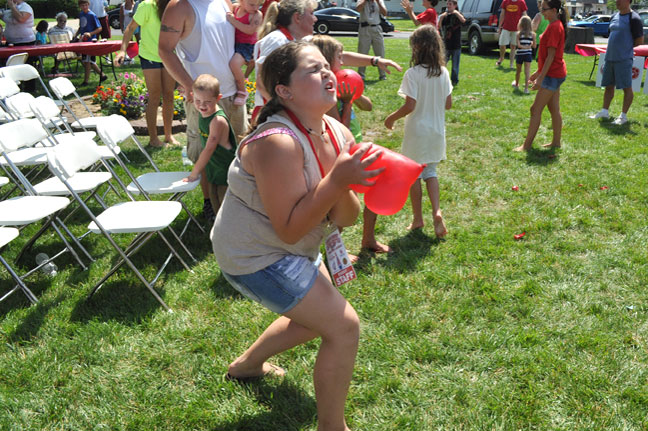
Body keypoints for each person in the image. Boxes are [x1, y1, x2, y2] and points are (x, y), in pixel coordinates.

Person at [212, 40, 383, 431]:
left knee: (316, 319)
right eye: (313, 69)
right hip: (254, 257)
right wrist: (337, 179)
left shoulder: (337, 131)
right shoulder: (277, 142)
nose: (327, 72)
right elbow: (289, 231)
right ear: (284, 91)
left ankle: (246, 366)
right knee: (343, 327)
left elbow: (346, 217)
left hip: (292, 247)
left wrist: (341, 183)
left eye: (327, 66)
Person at [159, 0, 249, 223]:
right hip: (203, 101)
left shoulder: (224, 1)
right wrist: (189, 85)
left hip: (232, 95)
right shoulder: (179, 7)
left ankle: (238, 203)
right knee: (206, 154)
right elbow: (164, 49)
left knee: (239, 151)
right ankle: (210, 204)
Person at [253, 0, 402, 121]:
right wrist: (285, 112)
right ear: (297, 18)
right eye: (311, 13)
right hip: (273, 114)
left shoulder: (301, 40)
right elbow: (261, 82)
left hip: (290, 112)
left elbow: (337, 55)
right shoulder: (277, 40)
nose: (315, 18)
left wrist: (375, 60)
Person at [313, 34, 392, 256]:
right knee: (343, 203)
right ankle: (335, 250)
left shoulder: (343, 82)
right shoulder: (325, 91)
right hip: (341, 152)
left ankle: (368, 239)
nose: (343, 61)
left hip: (355, 148)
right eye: (340, 58)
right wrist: (346, 102)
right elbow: (338, 128)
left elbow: (368, 106)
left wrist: (356, 91)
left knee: (372, 187)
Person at [385, 25, 452, 238]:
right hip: (436, 132)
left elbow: (410, 105)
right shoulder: (443, 72)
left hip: (417, 132)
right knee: (430, 172)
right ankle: (437, 212)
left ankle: (417, 219)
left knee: (413, 175)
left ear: (418, 47)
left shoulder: (412, 74)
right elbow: (448, 104)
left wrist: (391, 117)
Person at [115, 0, 181, 148]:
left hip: (169, 55)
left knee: (169, 95)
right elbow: (130, 28)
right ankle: (153, 139)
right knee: (155, 96)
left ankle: (168, 136)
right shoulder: (146, 6)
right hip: (149, 56)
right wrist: (122, 50)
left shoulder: (175, 7)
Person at [183, 74, 237, 223]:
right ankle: (220, 228)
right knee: (214, 201)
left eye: (208, 102)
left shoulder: (217, 120)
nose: (202, 105)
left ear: (218, 98)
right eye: (198, 101)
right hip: (214, 168)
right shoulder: (204, 112)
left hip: (224, 170)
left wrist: (194, 173)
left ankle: (230, 233)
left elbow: (208, 149)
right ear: (192, 96)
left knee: (226, 205)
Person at [514, 0, 566, 151]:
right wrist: (538, 72)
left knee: (535, 109)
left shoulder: (556, 27)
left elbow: (551, 56)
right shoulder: (553, 25)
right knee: (554, 109)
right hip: (554, 73)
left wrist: (540, 78)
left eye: (545, 9)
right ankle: (556, 142)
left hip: (552, 75)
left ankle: (526, 145)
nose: (542, 12)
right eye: (541, 9)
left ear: (554, 10)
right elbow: (550, 57)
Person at [588, 0, 643, 126]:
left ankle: (623, 116)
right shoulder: (614, 16)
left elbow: (639, 40)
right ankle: (604, 111)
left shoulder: (634, 18)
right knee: (608, 86)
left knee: (626, 87)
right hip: (610, 58)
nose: (617, 1)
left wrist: (624, 49)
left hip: (624, 59)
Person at [226, 0, 263, 106]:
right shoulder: (235, 7)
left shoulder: (257, 15)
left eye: (258, 5)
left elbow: (250, 30)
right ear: (241, 1)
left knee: (234, 64)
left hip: (247, 46)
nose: (255, 8)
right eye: (252, 4)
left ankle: (242, 91)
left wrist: (233, 20)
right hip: (234, 42)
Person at [75, 0, 108, 86]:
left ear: (88, 5)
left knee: (87, 61)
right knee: (88, 61)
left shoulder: (92, 15)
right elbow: (81, 26)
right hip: (83, 40)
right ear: (80, 6)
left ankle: (86, 81)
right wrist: (76, 35)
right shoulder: (81, 14)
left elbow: (99, 28)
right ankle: (102, 75)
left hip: (90, 41)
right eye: (82, 5)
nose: (84, 7)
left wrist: (90, 33)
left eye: (86, 5)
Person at [356, 0, 387, 81]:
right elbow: (358, 9)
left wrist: (378, 2)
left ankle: (382, 75)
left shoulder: (380, 1)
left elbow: (385, 13)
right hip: (364, 28)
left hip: (376, 28)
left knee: (380, 52)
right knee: (362, 52)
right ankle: (361, 75)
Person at [438, 0, 465, 86]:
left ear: (455, 5)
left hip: (456, 44)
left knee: (455, 66)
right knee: (443, 63)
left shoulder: (458, 14)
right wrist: (442, 17)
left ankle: (454, 81)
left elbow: (463, 21)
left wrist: (456, 13)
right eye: (447, 4)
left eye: (450, 4)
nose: (448, 6)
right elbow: (439, 26)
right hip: (446, 44)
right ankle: (441, 79)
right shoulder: (445, 15)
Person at [496, 0, 527, 69]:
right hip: (506, 27)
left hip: (517, 28)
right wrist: (499, 26)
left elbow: (524, 15)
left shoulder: (521, 2)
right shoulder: (505, 1)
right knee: (502, 44)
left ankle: (511, 64)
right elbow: (502, 14)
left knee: (513, 46)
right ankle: (501, 57)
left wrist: (525, 26)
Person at [511, 15, 535, 93]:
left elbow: (518, 45)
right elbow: (534, 45)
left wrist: (524, 47)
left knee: (518, 71)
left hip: (520, 54)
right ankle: (526, 89)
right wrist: (529, 45)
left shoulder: (518, 34)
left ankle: (517, 84)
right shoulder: (533, 35)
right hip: (528, 54)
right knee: (527, 72)